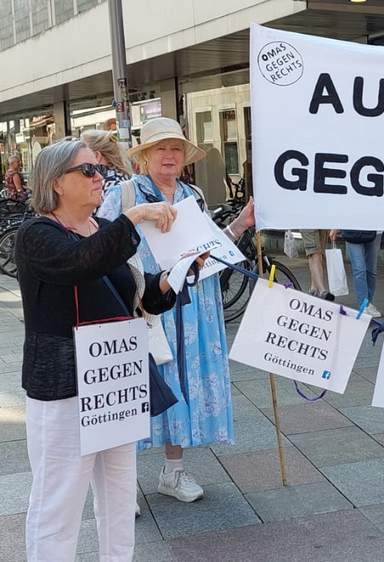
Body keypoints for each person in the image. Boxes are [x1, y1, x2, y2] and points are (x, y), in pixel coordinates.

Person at [17, 138, 179, 560]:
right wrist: (135, 216)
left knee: (120, 497)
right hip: (65, 385)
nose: (99, 177)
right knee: (58, 502)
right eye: (88, 170)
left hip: (116, 379)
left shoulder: (103, 229)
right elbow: (78, 263)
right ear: (56, 183)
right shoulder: (36, 234)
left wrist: (178, 272)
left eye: (101, 170)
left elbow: (140, 294)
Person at [97, 117, 256, 503]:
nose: (169, 155)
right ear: (144, 156)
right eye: (160, 148)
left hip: (191, 305)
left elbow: (209, 249)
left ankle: (174, 471)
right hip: (143, 302)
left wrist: (240, 225)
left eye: (175, 149)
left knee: (181, 382)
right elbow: (99, 244)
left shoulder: (192, 195)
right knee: (135, 386)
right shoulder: (126, 194)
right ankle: (120, 485)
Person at [330, 229, 384, 318]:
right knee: (359, 269)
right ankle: (364, 305)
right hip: (353, 230)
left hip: (375, 231)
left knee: (371, 271)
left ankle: (369, 303)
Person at [300, 229, 335, 300]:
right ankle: (321, 290)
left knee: (319, 255)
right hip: (308, 225)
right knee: (315, 254)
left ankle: (314, 288)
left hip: (322, 224)